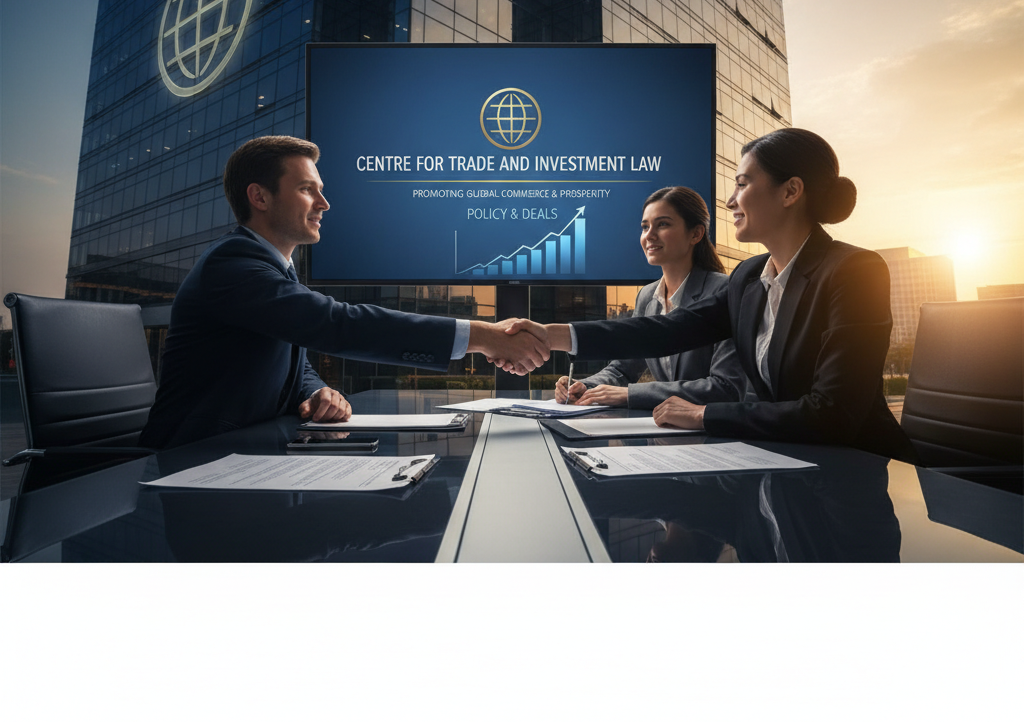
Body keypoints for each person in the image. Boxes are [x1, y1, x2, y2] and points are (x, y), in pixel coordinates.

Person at [500, 129, 916, 461]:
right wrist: (549, 334)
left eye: (742, 183)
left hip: (855, 471)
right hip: (778, 458)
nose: (731, 200)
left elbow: (834, 412)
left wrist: (702, 414)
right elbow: (665, 330)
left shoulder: (854, 270)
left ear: (790, 192)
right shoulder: (750, 276)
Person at [140, 136, 548, 449]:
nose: (325, 203)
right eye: (307, 189)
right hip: (194, 464)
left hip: (255, 454)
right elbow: (335, 324)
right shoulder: (231, 266)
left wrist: (314, 390)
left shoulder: (270, 269)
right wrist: (481, 336)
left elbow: (290, 357)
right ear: (259, 196)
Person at [555, 186, 748, 409]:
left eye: (663, 224)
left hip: (711, 430)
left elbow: (724, 388)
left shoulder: (723, 291)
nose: (649, 235)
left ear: (696, 233)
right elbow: (622, 369)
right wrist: (585, 387)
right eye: (645, 227)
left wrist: (630, 394)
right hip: (666, 427)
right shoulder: (647, 296)